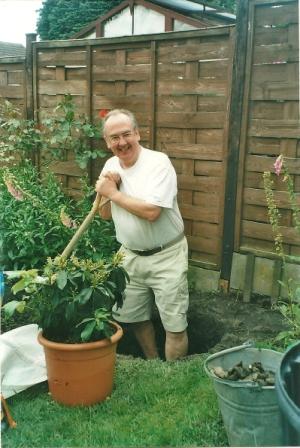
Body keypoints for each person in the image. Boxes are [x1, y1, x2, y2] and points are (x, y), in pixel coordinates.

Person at [95, 109, 189, 360]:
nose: (122, 142)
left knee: (174, 325)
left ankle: (174, 378)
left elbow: (152, 212)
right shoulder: (110, 165)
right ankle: (154, 363)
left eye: (127, 134)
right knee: (134, 318)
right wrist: (106, 191)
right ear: (107, 142)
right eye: (114, 137)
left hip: (166, 254)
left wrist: (113, 193)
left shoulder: (158, 163)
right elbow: (105, 215)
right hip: (129, 257)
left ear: (137, 133)